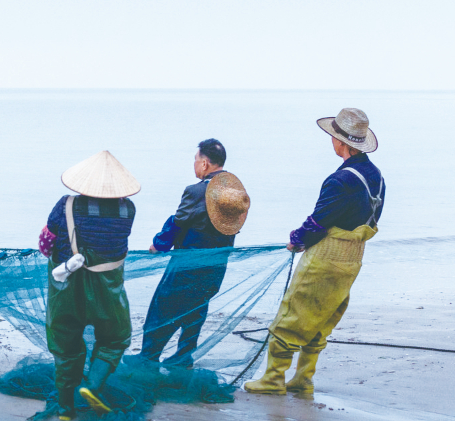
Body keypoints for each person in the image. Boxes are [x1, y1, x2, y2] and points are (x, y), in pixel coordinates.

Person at [245, 108, 385, 396]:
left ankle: (272, 380)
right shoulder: (377, 177)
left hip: (326, 258)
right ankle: (303, 378)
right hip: (354, 259)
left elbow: (318, 221)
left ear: (342, 143)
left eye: (333, 137)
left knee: (292, 316)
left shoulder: (340, 180)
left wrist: (296, 239)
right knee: (324, 317)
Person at [39, 151, 139, 418]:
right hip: (107, 289)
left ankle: (64, 408)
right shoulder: (128, 209)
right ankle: (93, 386)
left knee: (65, 343)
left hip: (66, 288)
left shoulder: (65, 205)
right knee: (115, 338)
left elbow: (45, 245)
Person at [140, 139, 250, 366]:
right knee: (196, 311)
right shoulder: (236, 194)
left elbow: (178, 222)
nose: (194, 164)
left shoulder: (196, 191)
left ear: (205, 164)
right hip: (216, 266)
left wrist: (158, 245)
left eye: (196, 159)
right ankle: (183, 356)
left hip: (187, 265)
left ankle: (148, 357)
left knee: (162, 309)